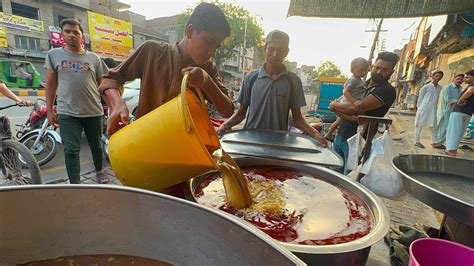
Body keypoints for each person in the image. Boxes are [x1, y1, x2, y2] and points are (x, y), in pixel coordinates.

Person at [100, 2, 234, 136]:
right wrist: (117, 105)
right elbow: (110, 79)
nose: (212, 52)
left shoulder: (208, 69)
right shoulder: (152, 51)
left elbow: (227, 111)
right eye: (209, 42)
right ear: (190, 31)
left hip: (184, 148)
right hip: (144, 142)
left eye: (217, 46)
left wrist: (206, 81)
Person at [216, 30, 327, 146]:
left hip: (279, 144)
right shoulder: (251, 78)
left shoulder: (293, 81)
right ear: (265, 49)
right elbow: (240, 114)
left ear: (286, 53)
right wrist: (224, 126)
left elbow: (297, 118)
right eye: (271, 49)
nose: (275, 54)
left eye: (280, 50)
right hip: (250, 142)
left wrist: (316, 134)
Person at [44, 18, 109, 184]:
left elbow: (104, 84)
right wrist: (50, 110)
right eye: (67, 31)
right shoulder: (54, 55)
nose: (72, 35)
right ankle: (75, 183)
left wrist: (113, 105)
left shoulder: (94, 58)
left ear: (82, 37)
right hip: (67, 111)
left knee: (96, 145)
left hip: (93, 110)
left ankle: (100, 170)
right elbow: (51, 84)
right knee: (71, 150)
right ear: (62, 34)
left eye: (76, 32)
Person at [329, 51, 399, 173]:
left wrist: (334, 106)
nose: (379, 72)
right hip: (341, 135)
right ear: (372, 66)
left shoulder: (386, 90)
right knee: (333, 173)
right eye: (377, 67)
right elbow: (348, 100)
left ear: (391, 72)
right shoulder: (362, 83)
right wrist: (338, 109)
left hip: (358, 142)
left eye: (384, 70)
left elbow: (357, 108)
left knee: (349, 177)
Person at [324, 57, 370, 140]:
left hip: (346, 101)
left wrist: (338, 100)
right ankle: (359, 136)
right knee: (364, 119)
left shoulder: (357, 80)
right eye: (361, 70)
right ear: (352, 70)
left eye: (366, 70)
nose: (364, 72)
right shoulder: (354, 80)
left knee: (339, 120)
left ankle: (329, 133)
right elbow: (345, 92)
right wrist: (354, 101)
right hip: (349, 102)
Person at [444, 69, 474, 156]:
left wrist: (460, 100)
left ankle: (451, 151)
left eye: (467, 77)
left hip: (460, 111)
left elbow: (471, 91)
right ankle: (453, 150)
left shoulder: (472, 85)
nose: (464, 79)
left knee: (453, 131)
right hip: (468, 113)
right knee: (459, 132)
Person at [432, 74, 464, 149]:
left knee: (448, 128)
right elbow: (448, 100)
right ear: (454, 79)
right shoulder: (448, 87)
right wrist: (459, 101)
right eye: (458, 79)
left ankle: (439, 143)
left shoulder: (460, 88)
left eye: (461, 79)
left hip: (454, 111)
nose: (460, 80)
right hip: (445, 111)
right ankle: (436, 143)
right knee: (442, 127)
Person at [413, 71, 444, 148]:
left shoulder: (440, 87)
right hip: (423, 108)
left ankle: (434, 142)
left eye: (440, 76)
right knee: (419, 124)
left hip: (433, 109)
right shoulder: (426, 87)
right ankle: (417, 141)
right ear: (432, 76)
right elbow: (420, 99)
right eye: (436, 76)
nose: (438, 78)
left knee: (433, 126)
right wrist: (419, 109)